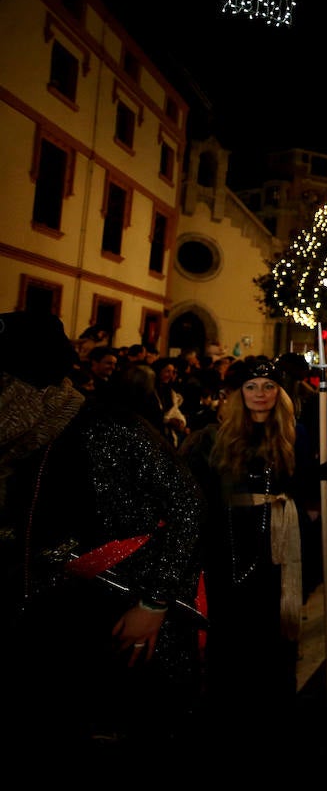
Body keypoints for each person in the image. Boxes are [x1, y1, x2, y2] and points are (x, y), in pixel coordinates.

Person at [0, 312, 203, 774]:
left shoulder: (110, 426)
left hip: (118, 624)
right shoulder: (13, 439)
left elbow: (188, 505)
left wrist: (154, 604)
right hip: (39, 624)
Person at [180, 355, 307, 725]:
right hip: (228, 551)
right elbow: (194, 499)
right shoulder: (210, 439)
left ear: (280, 393)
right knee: (232, 631)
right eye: (251, 387)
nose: (260, 394)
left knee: (275, 630)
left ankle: (274, 710)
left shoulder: (292, 435)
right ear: (237, 394)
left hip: (278, 548)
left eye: (268, 387)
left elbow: (303, 490)